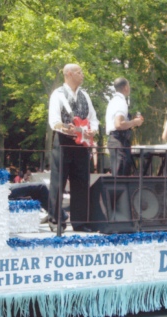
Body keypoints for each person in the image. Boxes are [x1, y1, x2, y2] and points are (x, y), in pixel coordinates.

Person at [48, 63, 99, 232]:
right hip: (64, 141)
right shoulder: (58, 94)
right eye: (79, 72)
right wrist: (64, 127)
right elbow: (54, 120)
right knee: (58, 181)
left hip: (82, 144)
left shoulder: (85, 95)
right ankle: (55, 221)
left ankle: (80, 222)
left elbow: (93, 118)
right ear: (68, 74)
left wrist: (93, 130)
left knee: (81, 182)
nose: (82, 74)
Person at [105, 77, 144, 176]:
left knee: (119, 173)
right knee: (121, 175)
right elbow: (119, 124)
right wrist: (134, 122)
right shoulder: (121, 102)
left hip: (115, 140)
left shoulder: (114, 101)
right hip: (119, 140)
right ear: (125, 87)